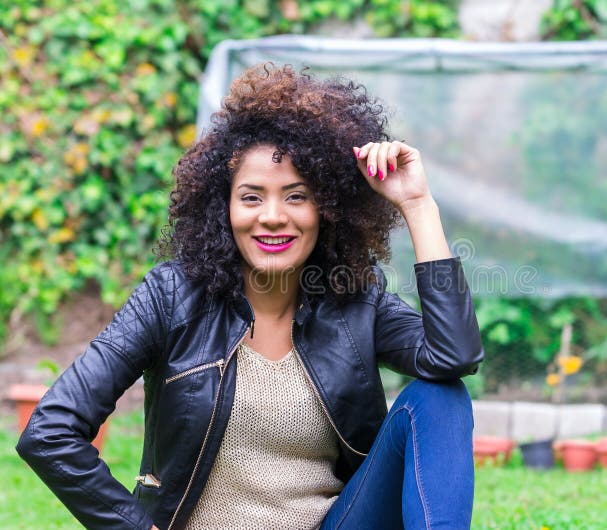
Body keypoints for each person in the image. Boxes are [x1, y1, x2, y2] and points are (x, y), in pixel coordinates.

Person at [17, 63, 483, 530]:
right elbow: (50, 431)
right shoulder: (171, 296)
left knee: (441, 396)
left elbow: (452, 356)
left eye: (297, 196)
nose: (274, 216)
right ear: (224, 207)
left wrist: (417, 205)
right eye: (252, 197)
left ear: (328, 208)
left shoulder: (355, 300)